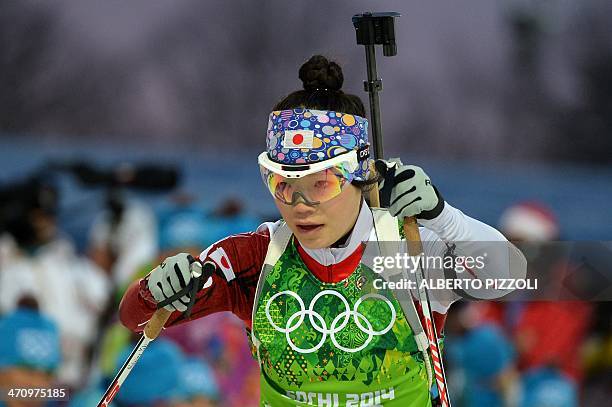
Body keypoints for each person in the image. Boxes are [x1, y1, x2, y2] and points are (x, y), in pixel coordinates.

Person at [119, 55, 525, 406]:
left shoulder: (407, 246)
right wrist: (156, 289)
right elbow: (135, 319)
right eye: (284, 185)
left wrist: (443, 216)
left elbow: (510, 275)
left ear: (361, 177)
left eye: (322, 184)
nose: (300, 205)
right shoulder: (256, 257)